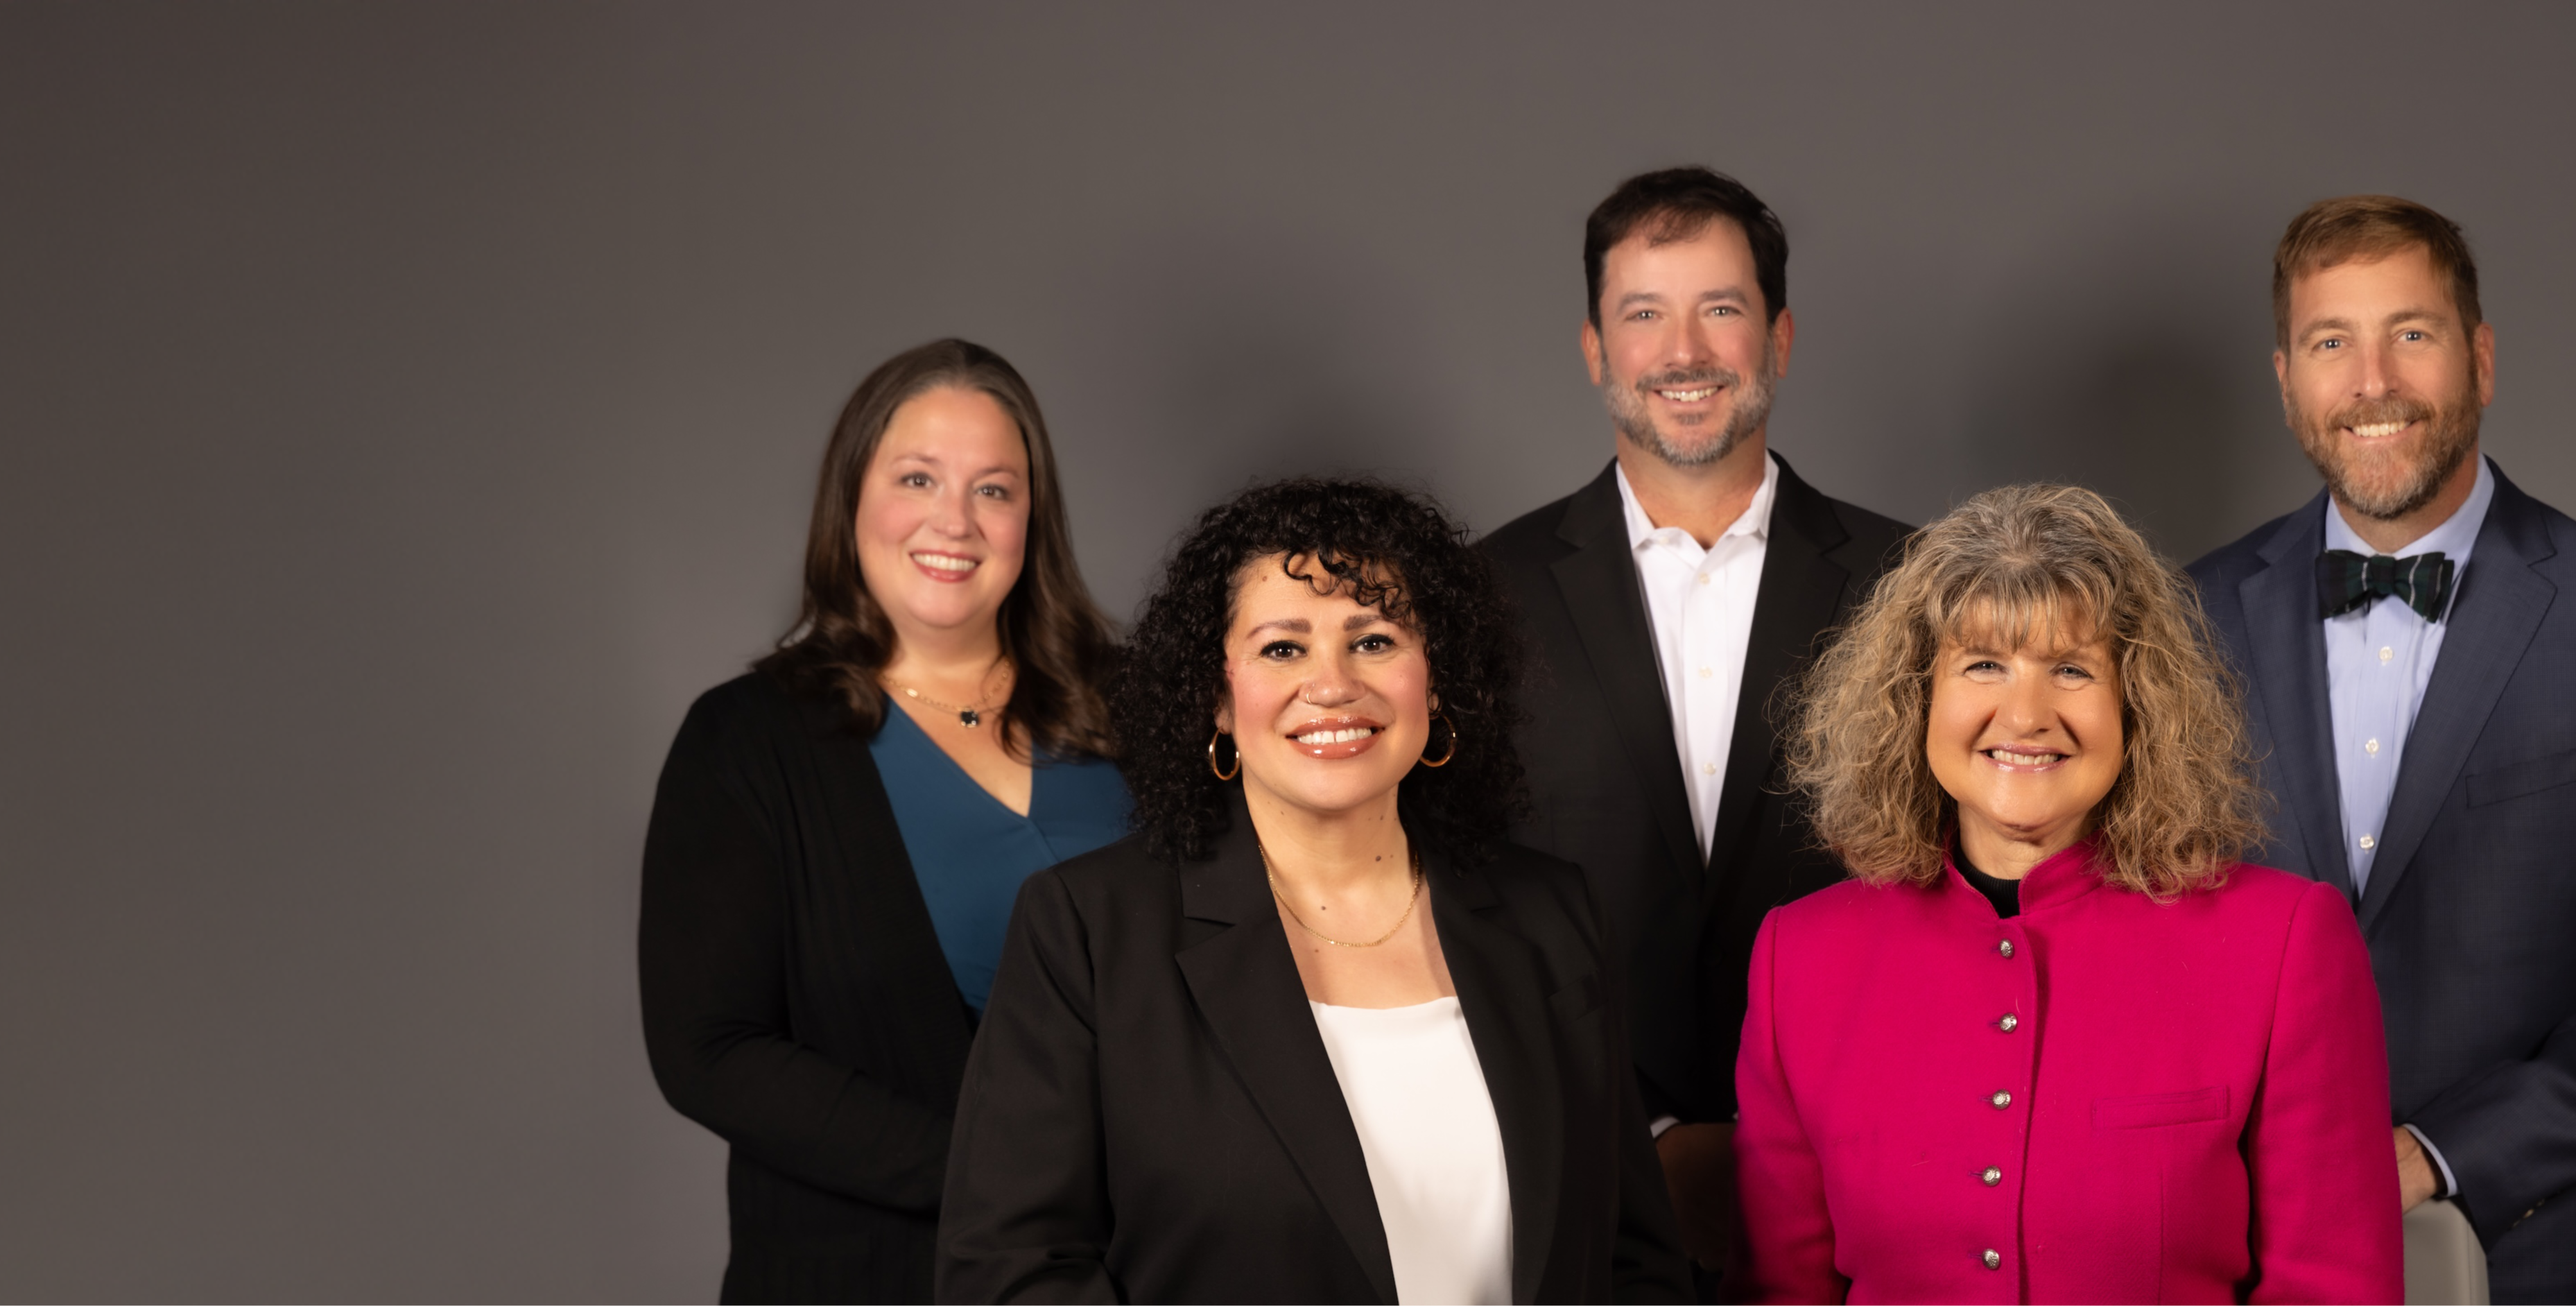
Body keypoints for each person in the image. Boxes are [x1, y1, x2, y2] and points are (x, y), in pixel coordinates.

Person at [2185, 196, 2576, 1304]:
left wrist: (2438, 1153)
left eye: (2410, 333)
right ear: (2284, 380)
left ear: (2480, 358)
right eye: (2329, 343)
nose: (2371, 382)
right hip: (2250, 1253)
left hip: (2550, 1253)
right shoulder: (2185, 616)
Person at [938, 478, 1693, 1305]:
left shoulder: (1554, 917)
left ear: (1436, 682)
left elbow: (1634, 1258)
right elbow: (1007, 1272)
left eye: (1372, 640)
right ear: (1217, 699)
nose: (1332, 684)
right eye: (1282, 648)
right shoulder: (1087, 929)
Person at [1735, 484, 2404, 1303]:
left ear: (2138, 702)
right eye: (1983, 663)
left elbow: (2333, 1287)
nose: (2025, 714)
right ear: (1917, 696)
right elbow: (1779, 1291)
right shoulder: (1799, 959)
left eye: (2072, 668)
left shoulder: (2285, 941)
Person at [1474, 165, 1910, 1267]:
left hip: (1866, 1164)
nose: (1683, 353)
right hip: (1577, 1167)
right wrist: (1642, 1130)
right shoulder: (1483, 593)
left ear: (1779, 338)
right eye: (1643, 316)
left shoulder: (1917, 582)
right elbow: (1463, 893)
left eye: (1720, 309)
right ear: (1592, 350)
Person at [639, 339, 1136, 1303]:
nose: (955, 519)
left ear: (1032, 518)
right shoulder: (745, 741)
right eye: (917, 477)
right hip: (868, 1272)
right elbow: (710, 1049)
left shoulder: (1141, 712)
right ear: (852, 500)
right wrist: (1005, 1181)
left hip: (1142, 1268)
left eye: (994, 488)